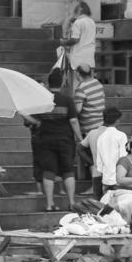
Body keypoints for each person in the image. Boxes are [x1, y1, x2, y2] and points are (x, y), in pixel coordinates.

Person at [24, 68, 81, 213]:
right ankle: (71, 203)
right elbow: (74, 121)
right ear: (61, 83)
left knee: (48, 171)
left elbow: (28, 116)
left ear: (48, 85)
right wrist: (80, 138)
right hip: (65, 140)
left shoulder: (43, 101)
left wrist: (34, 121)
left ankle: (50, 204)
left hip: (45, 140)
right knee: (68, 170)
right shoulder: (67, 100)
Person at [82, 106, 127, 199]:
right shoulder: (121, 135)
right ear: (117, 120)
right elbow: (123, 158)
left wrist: (94, 164)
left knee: (99, 205)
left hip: (100, 175)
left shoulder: (97, 134)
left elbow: (80, 149)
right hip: (116, 177)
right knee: (116, 204)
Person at [61, 1, 96, 77]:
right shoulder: (91, 21)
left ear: (79, 10)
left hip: (79, 56)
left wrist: (64, 42)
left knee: (78, 82)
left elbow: (75, 39)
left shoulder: (78, 22)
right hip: (90, 56)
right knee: (89, 80)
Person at [73, 65, 105, 140]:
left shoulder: (81, 88)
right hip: (101, 125)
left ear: (78, 74)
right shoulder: (98, 83)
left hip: (89, 129)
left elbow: (78, 110)